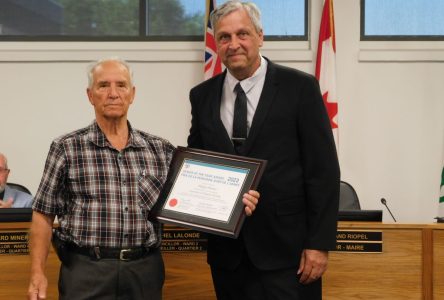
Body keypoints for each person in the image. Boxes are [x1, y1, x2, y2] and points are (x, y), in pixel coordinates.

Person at [26, 56, 260, 300]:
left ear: (132, 94)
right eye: (103, 85)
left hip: (144, 270)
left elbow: (198, 195)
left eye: (121, 85)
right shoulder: (66, 148)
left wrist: (237, 200)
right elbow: (43, 214)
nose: (113, 93)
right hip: (86, 270)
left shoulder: (161, 150)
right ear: (90, 95)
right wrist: (37, 273)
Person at [187, 1, 340, 299]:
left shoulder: (300, 88)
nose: (234, 44)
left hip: (289, 253)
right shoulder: (202, 96)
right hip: (228, 255)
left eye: (242, 34)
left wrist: (319, 244)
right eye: (224, 37)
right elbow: (197, 163)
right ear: (216, 43)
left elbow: (323, 171)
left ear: (260, 36)